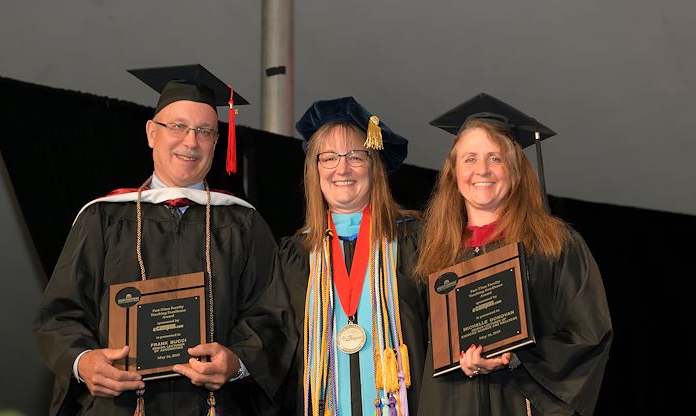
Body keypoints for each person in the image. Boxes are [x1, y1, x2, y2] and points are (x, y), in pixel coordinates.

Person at [33, 64, 295, 415]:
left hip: (213, 407)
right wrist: (83, 362)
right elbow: (60, 315)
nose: (191, 141)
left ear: (217, 142)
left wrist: (238, 361)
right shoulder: (104, 217)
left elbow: (273, 316)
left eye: (205, 131)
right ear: (151, 133)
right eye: (178, 126)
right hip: (120, 406)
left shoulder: (243, 223)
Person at [414, 93, 613, 416]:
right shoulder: (432, 253)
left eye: (495, 158)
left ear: (515, 170)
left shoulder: (554, 245)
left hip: (521, 404)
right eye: (470, 159)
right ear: (452, 172)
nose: (482, 170)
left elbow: (589, 335)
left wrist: (518, 357)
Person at [278, 96, 428, 416]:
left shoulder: (416, 241)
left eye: (356, 156)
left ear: (375, 166)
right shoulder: (295, 255)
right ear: (314, 170)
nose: (342, 169)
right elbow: (272, 342)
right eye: (328, 157)